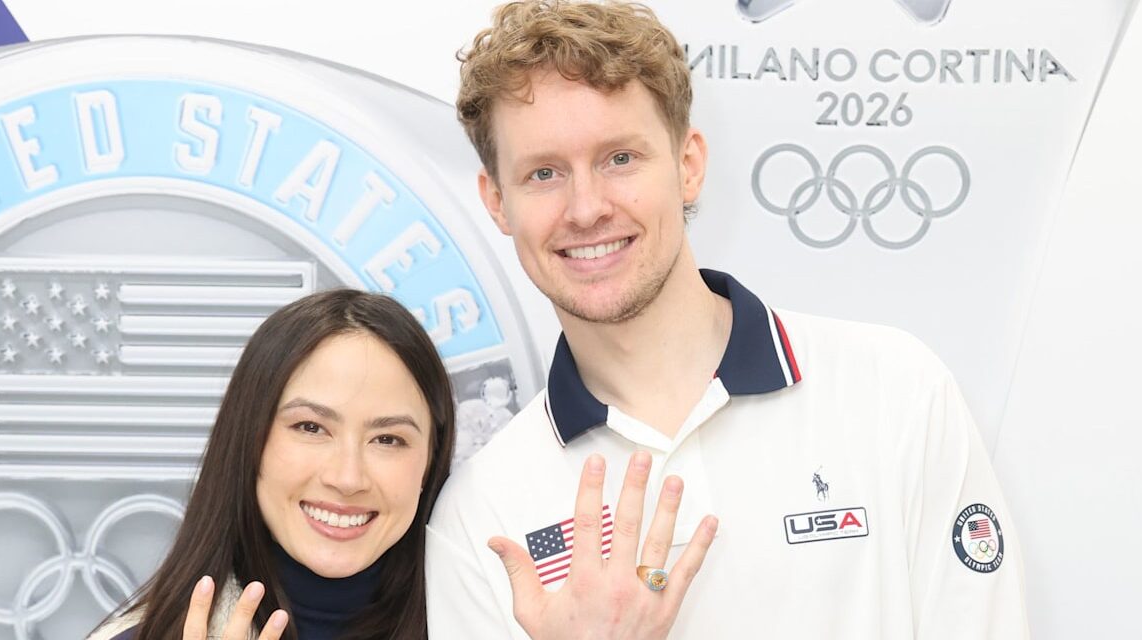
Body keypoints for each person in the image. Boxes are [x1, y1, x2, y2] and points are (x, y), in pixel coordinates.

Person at [425, 1, 1029, 638]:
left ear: (688, 166)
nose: (586, 208)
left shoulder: (896, 392)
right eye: (544, 173)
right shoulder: (479, 517)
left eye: (619, 159)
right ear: (497, 201)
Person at [88, 289, 456, 640]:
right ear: (250, 441)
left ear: (431, 458)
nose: (347, 478)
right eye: (310, 427)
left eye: (388, 439)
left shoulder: (491, 624)